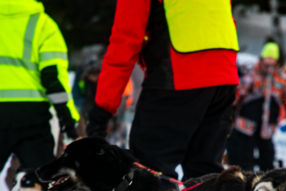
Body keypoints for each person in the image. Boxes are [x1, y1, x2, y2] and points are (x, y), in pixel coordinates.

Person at [85, 0, 239, 181]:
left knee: (149, 172)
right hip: (224, 76)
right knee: (204, 176)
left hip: (177, 75)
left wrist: (102, 111)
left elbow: (125, 40)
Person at [0, 0, 79, 174]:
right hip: (30, 118)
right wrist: (67, 117)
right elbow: (53, 77)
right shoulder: (43, 24)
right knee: (44, 179)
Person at [227, 42, 286, 171]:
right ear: (262, 57)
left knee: (267, 153)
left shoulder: (280, 77)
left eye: (272, 57)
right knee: (245, 152)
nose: (270, 59)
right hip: (249, 120)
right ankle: (246, 179)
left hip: (268, 122)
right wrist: (233, 106)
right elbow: (241, 90)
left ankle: (267, 181)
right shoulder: (253, 73)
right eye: (267, 56)